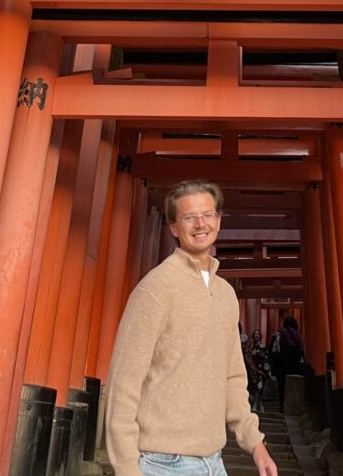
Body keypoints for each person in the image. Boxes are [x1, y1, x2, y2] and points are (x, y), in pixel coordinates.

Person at [106, 179, 279, 476]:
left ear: (219, 220)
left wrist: (256, 443)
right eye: (189, 217)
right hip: (161, 462)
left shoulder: (225, 294)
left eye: (208, 215)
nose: (201, 224)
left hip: (214, 461)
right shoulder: (155, 290)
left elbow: (233, 377)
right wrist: (126, 467)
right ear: (174, 227)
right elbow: (124, 383)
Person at [269, 316, 306, 409]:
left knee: (282, 387)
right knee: (294, 386)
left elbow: (272, 351)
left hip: (281, 367)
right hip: (294, 366)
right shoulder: (297, 336)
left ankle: (282, 406)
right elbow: (301, 351)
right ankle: (294, 406)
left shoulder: (278, 335)